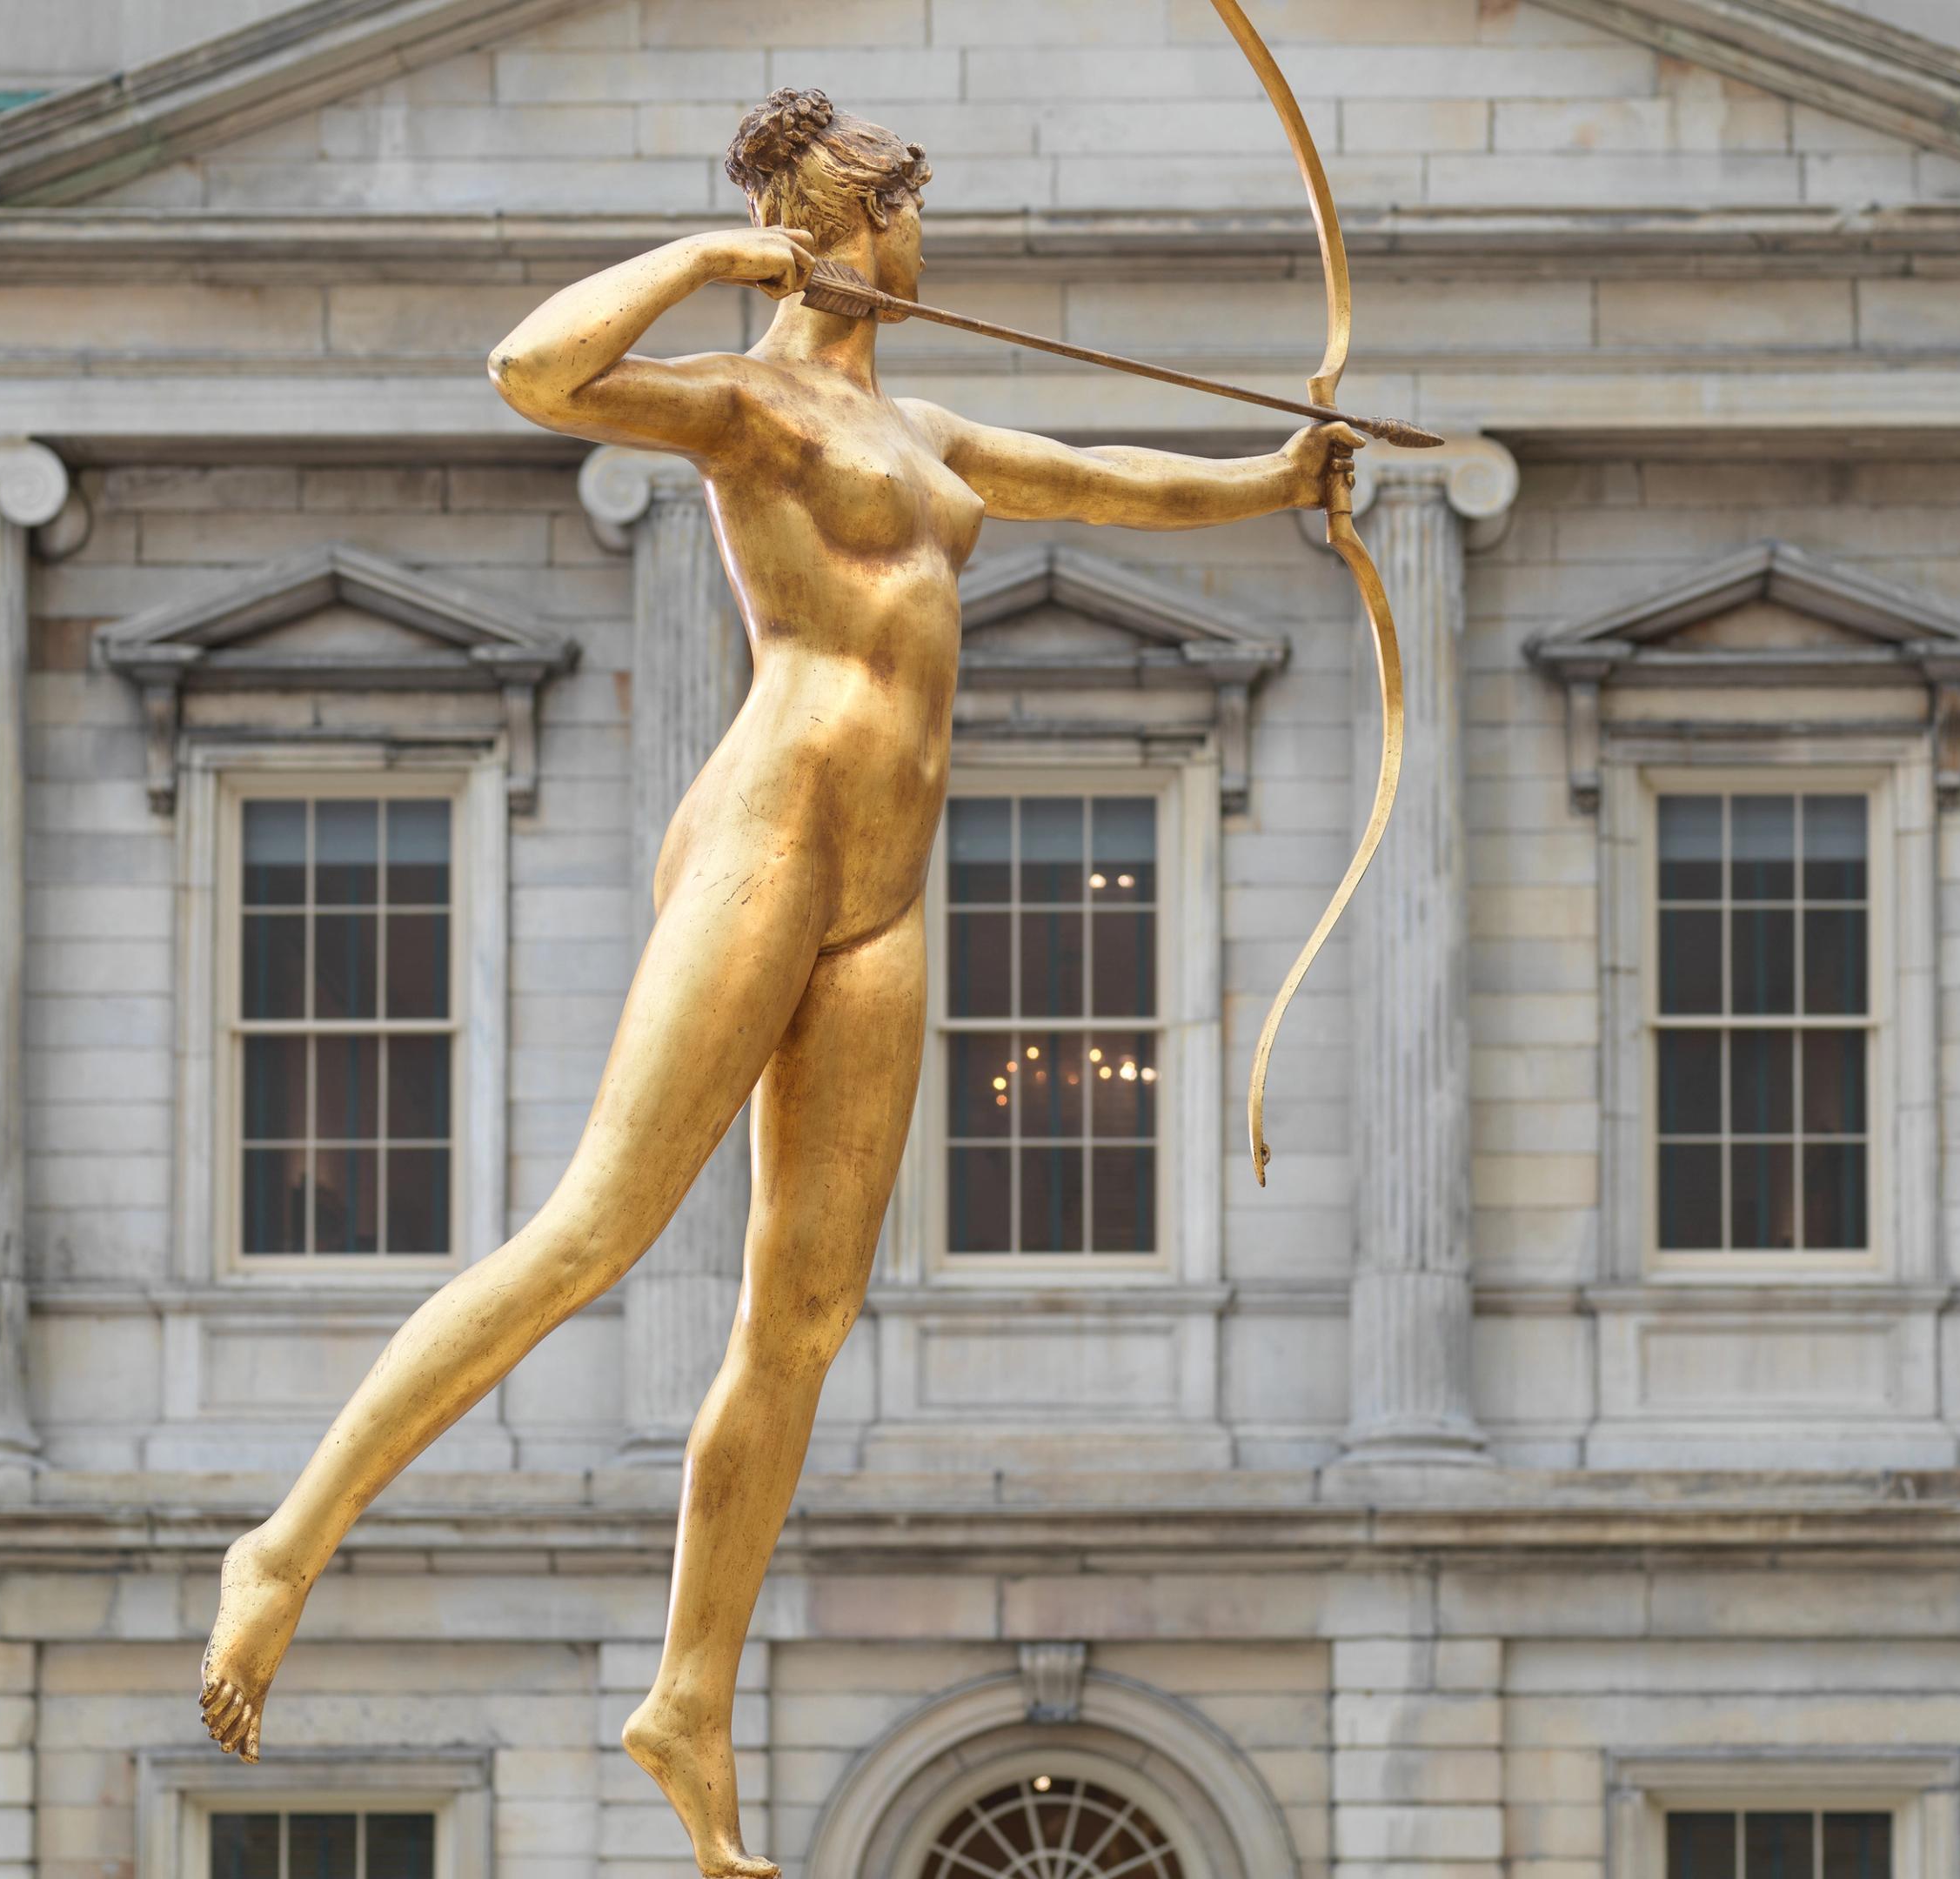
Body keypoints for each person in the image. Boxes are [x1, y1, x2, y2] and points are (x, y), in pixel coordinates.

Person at [195, 84, 1361, 1877]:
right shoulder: (749, 406)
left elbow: (1123, 482)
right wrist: (706, 257)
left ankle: (688, 1698)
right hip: (773, 834)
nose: (927, 246)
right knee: (595, 1227)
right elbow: (532, 370)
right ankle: (281, 1545)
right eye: (908, 216)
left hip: (886, 889)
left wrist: (1283, 478)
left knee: (802, 1323)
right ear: (858, 226)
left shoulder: (937, 434)